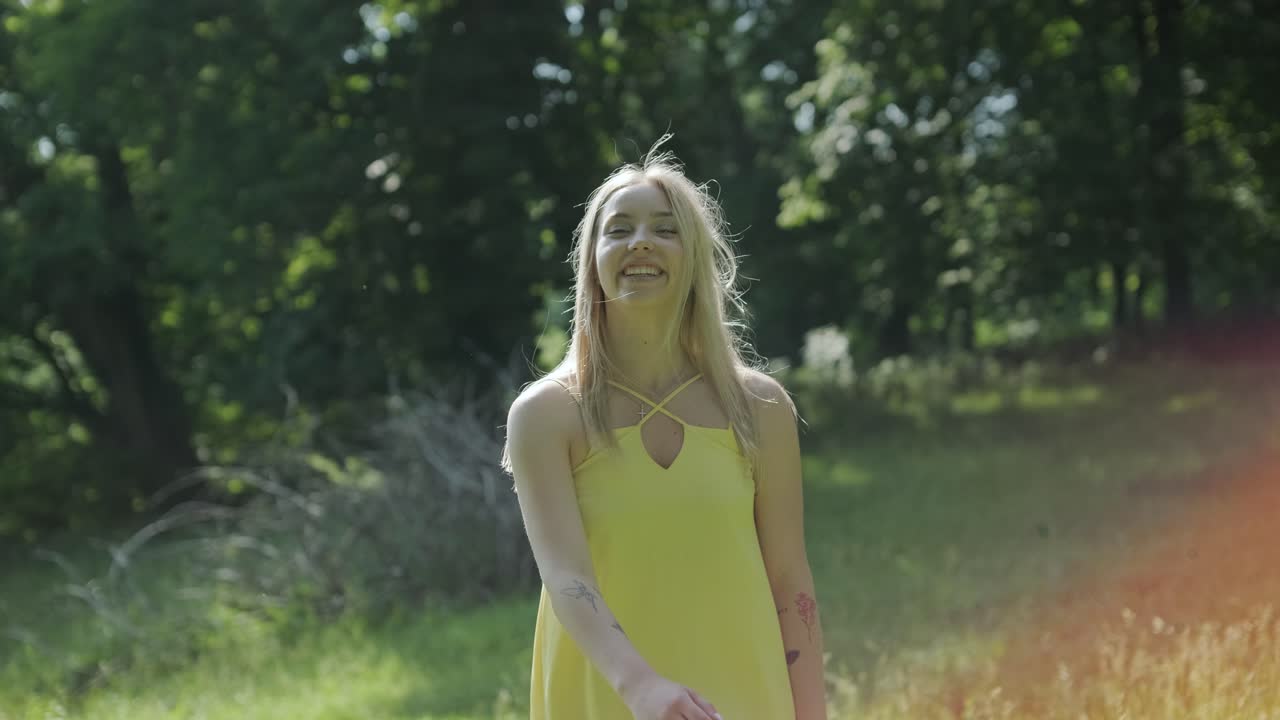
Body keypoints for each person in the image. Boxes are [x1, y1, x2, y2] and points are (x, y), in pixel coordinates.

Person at [502, 138, 827, 720]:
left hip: (744, 688)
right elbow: (565, 575)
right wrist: (644, 687)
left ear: (696, 257)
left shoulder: (760, 406)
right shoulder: (546, 414)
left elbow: (789, 578)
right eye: (619, 228)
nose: (641, 241)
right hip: (607, 693)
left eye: (665, 228)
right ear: (593, 260)